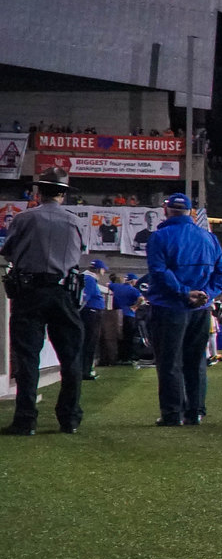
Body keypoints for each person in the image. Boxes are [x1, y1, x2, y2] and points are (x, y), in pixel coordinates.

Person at [2, 168, 90, 435]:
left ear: (39, 192)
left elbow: (8, 251)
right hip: (64, 292)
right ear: (63, 194)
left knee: (27, 358)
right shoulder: (75, 222)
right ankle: (69, 418)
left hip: (30, 293)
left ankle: (26, 419)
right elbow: (80, 255)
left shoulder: (25, 218)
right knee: (71, 358)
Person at [144, 191, 222, 427]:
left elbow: (159, 272)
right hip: (201, 310)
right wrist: (206, 294)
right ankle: (195, 412)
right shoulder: (208, 238)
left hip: (169, 308)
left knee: (170, 362)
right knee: (196, 361)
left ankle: (172, 413)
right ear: (191, 212)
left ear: (167, 210)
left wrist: (184, 292)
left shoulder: (160, 237)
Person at [78, 260, 108, 379]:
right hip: (91, 314)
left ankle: (85, 369)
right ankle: (85, 371)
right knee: (89, 342)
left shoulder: (88, 278)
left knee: (88, 342)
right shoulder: (89, 279)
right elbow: (84, 298)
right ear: (98, 269)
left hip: (91, 313)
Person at [110, 272, 142, 363]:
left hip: (117, 316)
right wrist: (135, 307)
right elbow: (141, 299)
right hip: (129, 315)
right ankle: (127, 358)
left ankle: (119, 357)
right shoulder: (133, 290)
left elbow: (109, 285)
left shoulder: (116, 287)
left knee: (120, 337)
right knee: (129, 337)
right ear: (133, 281)